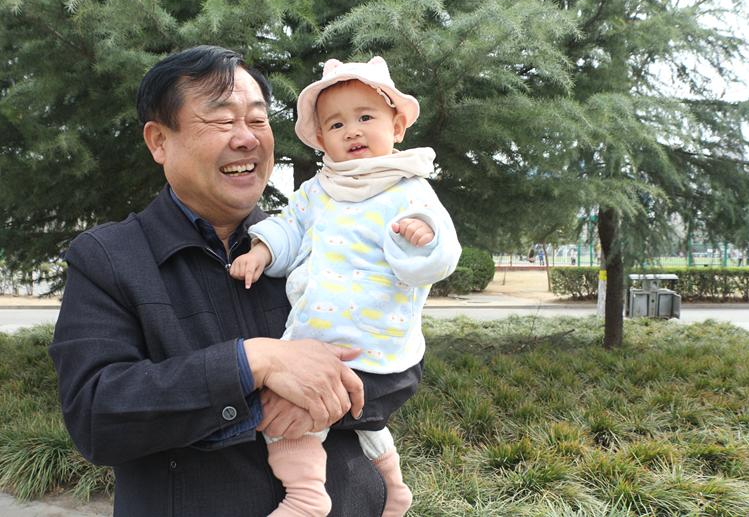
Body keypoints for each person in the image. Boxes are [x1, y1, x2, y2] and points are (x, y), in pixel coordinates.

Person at [49, 46, 424, 517]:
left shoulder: (321, 237)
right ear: (159, 140)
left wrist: (320, 399)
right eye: (222, 120)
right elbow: (97, 415)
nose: (247, 138)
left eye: (258, 120)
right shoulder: (109, 258)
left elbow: (400, 363)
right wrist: (251, 362)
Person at [230, 56, 461, 516]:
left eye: (365, 118)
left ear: (397, 127)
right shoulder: (319, 190)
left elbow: (439, 258)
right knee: (355, 419)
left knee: (286, 417)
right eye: (337, 124)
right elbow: (289, 226)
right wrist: (261, 250)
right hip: (318, 336)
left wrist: (425, 237)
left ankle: (305, 497)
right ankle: (394, 486)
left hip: (376, 335)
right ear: (321, 140)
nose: (352, 131)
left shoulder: (408, 188)